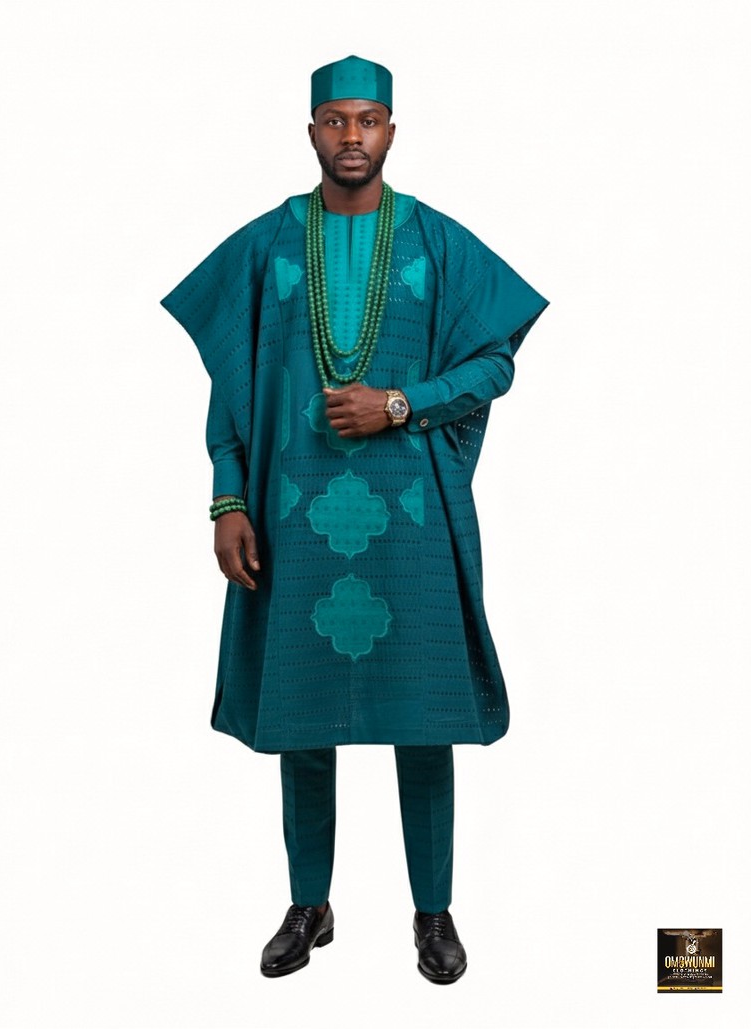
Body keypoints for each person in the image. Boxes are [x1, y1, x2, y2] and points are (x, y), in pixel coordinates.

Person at [160, 55, 548, 984]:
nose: (351, 136)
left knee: (426, 718)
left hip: (412, 520)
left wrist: (401, 404)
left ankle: (433, 911)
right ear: (311, 132)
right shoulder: (267, 245)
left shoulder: (437, 242)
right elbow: (233, 381)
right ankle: (310, 903)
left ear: (391, 132)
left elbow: (495, 363)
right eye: (334, 120)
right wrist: (227, 498)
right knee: (301, 719)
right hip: (291, 514)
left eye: (367, 120)